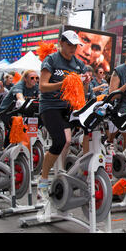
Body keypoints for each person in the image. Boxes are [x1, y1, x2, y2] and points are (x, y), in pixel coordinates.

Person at [37, 30, 90, 202]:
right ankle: (43, 181)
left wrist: (86, 83)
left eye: (75, 45)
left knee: (68, 141)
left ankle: (60, 174)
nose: (73, 48)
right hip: (50, 106)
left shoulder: (79, 64)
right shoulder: (51, 60)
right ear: (61, 43)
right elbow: (43, 87)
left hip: (67, 108)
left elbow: (83, 92)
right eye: (69, 45)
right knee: (60, 141)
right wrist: (64, 83)